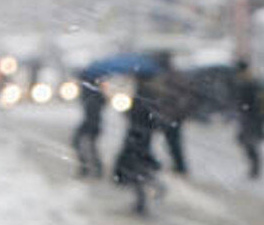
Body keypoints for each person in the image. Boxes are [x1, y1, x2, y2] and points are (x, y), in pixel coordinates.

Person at [113, 71, 163, 214]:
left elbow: (140, 114)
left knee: (137, 168)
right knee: (140, 167)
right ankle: (143, 198)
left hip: (138, 136)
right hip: (141, 136)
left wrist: (128, 112)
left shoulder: (144, 94)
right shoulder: (150, 93)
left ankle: (143, 200)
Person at [152, 52, 192, 175]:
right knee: (172, 142)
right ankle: (179, 165)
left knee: (172, 142)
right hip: (170, 115)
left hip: (170, 115)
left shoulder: (166, 77)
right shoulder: (173, 76)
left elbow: (182, 97)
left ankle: (179, 166)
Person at [233, 60, 264, 179]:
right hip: (251, 117)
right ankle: (254, 167)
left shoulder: (247, 83)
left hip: (251, 117)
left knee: (249, 143)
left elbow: (251, 102)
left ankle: (255, 168)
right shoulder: (250, 81)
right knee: (249, 143)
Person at [71, 72, 105, 178]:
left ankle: (87, 168)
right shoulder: (95, 91)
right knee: (89, 146)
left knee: (80, 143)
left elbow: (93, 108)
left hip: (91, 123)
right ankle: (92, 168)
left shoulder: (90, 92)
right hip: (93, 123)